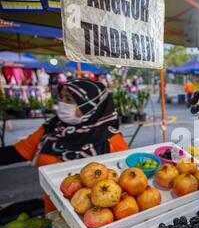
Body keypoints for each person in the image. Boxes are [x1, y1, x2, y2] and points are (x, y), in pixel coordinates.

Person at [0, 79, 129, 213]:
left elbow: (125, 184)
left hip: (94, 219)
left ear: (91, 105)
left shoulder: (110, 139)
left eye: (69, 99)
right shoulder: (51, 129)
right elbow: (15, 153)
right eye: (61, 98)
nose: (62, 104)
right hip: (52, 212)